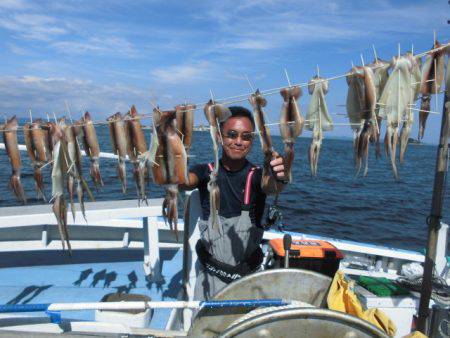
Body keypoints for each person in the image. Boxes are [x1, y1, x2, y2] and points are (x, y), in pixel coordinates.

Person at [182, 106, 286, 301]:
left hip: (246, 279)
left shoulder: (256, 175)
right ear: (219, 137)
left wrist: (279, 175)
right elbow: (183, 181)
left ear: (252, 140)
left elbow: (271, 186)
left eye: (246, 137)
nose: (239, 141)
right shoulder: (205, 171)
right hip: (209, 277)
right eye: (232, 134)